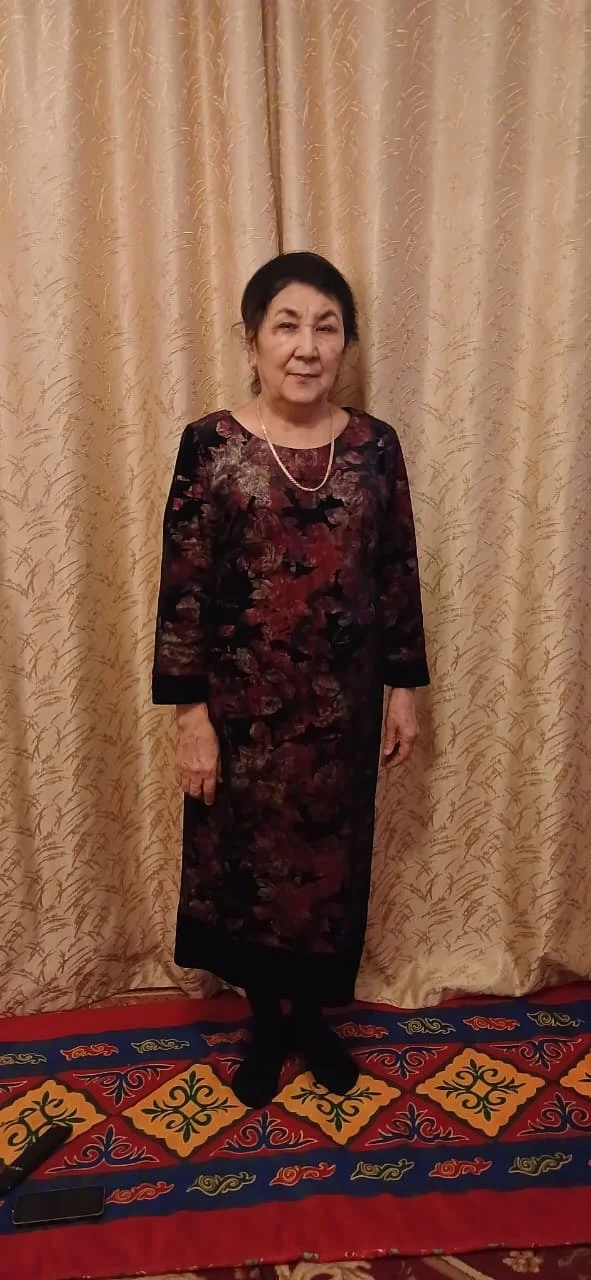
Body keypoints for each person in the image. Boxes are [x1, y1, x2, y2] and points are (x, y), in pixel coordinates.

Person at [152, 251, 429, 1109]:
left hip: (342, 715)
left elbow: (396, 570)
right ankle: (265, 1025)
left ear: (345, 344)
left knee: (326, 873)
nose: (306, 346)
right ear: (252, 340)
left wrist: (404, 688)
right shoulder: (211, 445)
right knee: (248, 872)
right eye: (287, 325)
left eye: (326, 327)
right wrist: (190, 717)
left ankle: (310, 1019)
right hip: (242, 717)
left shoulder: (374, 446)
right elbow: (183, 589)